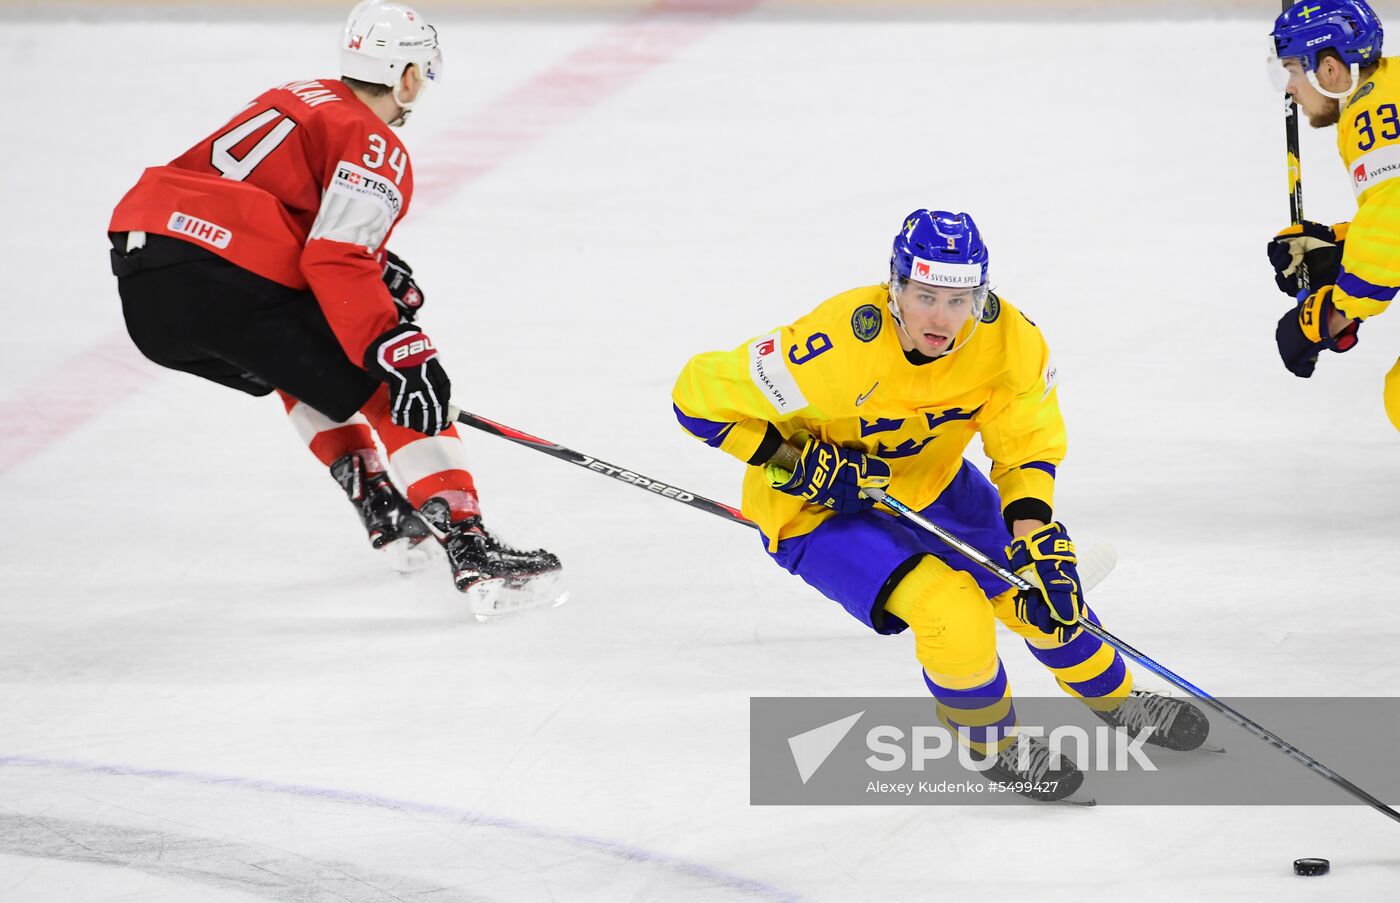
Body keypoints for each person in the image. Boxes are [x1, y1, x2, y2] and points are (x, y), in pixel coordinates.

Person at [672, 210, 1209, 801]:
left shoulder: (1008, 343)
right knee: (951, 611)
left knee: (1044, 589)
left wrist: (1035, 538)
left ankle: (1116, 699)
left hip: (933, 484)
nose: (941, 318)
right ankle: (993, 746)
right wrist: (788, 459)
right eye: (925, 295)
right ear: (894, 287)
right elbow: (697, 399)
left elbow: (1025, 445)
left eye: (959, 300)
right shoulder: (834, 347)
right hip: (818, 513)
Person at [107, 1, 562, 619]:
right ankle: (469, 542)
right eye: (421, 76)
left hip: (148, 288)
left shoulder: (300, 95)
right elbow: (336, 259)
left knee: (299, 355)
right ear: (406, 75)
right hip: (222, 271)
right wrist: (397, 349)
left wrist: (371, 268)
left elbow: (274, 208)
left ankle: (379, 499)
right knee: (392, 381)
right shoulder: (374, 142)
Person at [1267, 0, 1400, 432]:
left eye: (1291, 70)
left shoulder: (1373, 115)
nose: (1289, 88)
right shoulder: (1390, 84)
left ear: (1329, 70)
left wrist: (1333, 314)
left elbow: (1393, 221)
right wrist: (1341, 246)